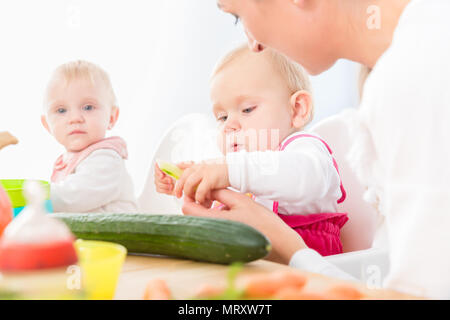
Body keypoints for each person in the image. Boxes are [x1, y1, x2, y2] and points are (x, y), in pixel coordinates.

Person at [183, 0, 450, 299]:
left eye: (237, 16)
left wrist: (288, 247)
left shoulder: (415, 79)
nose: (254, 44)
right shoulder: (422, 49)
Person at [155, 44, 348, 256]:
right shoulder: (241, 170)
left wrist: (229, 171)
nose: (229, 126)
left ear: (297, 109)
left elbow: (306, 178)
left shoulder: (303, 148)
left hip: (310, 264)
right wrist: (193, 186)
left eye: (247, 109)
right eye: (222, 117)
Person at [41, 60, 138, 213]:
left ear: (111, 117)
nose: (75, 118)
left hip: (117, 237)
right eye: (61, 110)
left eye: (88, 107)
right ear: (47, 125)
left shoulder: (106, 158)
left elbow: (70, 199)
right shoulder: (69, 160)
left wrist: (30, 194)